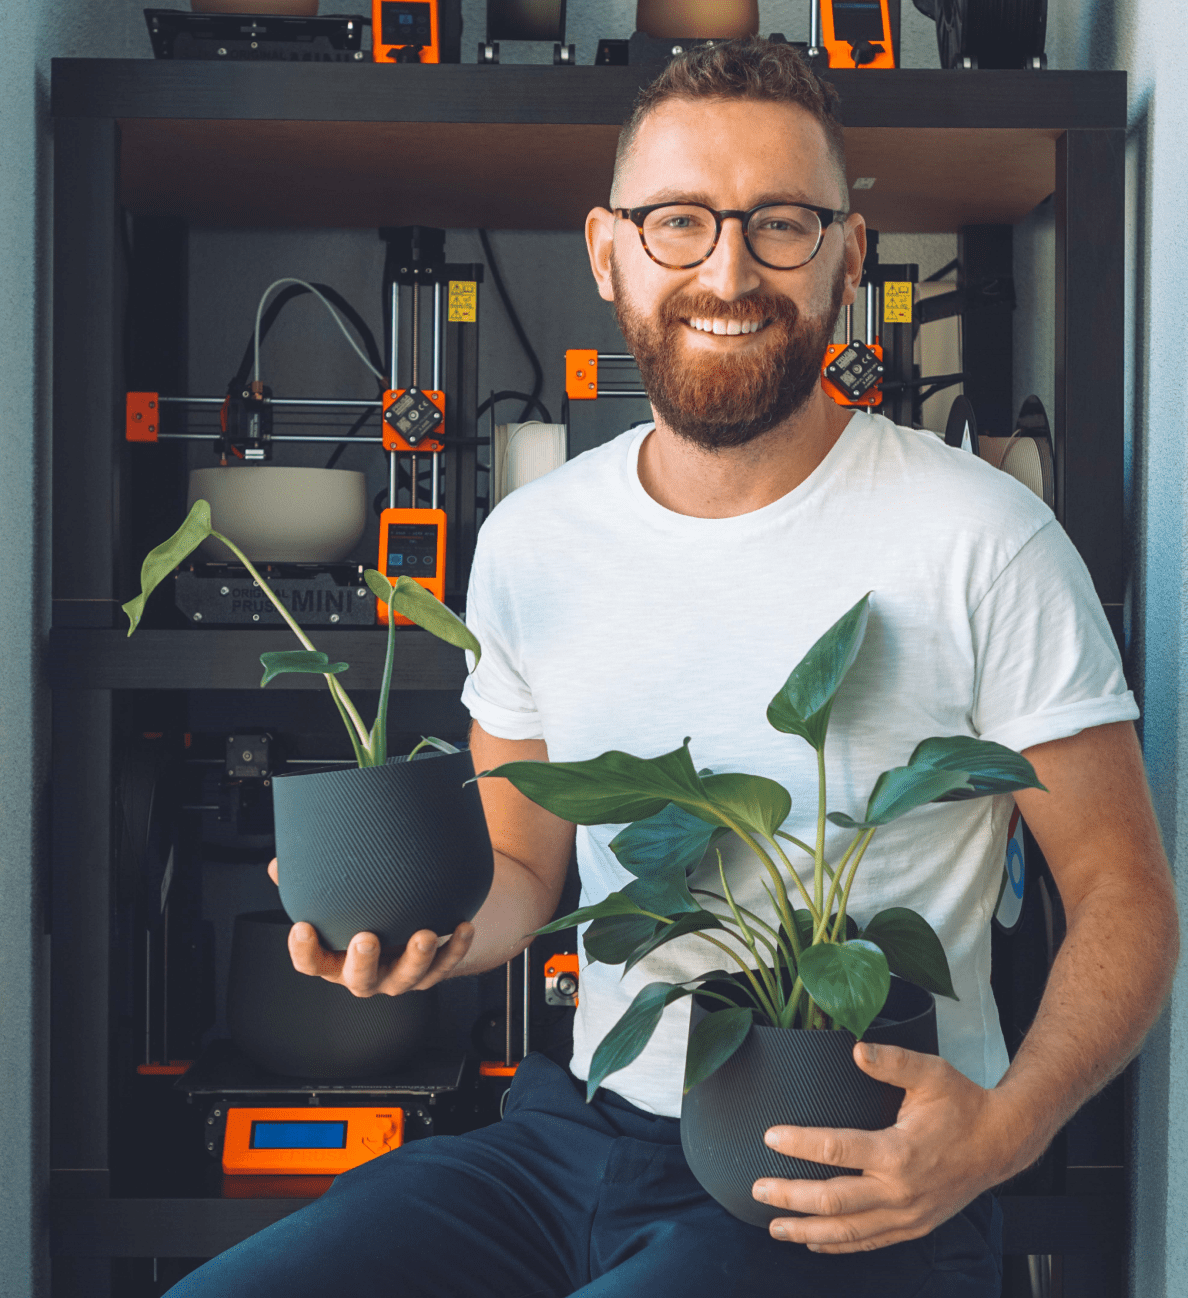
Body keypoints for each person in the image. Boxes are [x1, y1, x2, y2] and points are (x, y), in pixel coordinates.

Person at [168, 37, 1178, 1297]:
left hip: (838, 1164)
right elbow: (530, 860)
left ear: (852, 258)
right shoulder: (534, 540)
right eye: (680, 222)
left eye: (784, 224)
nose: (730, 269)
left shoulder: (983, 535)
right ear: (608, 250)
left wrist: (1000, 1135)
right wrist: (431, 934)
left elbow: (1125, 895)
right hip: (571, 1138)